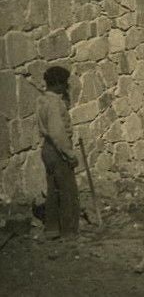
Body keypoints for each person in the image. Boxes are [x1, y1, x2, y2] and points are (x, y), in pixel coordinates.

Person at [37, 66, 80, 239]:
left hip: (46, 149)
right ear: (56, 84)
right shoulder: (54, 103)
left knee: (53, 190)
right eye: (64, 84)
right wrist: (69, 153)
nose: (66, 87)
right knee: (68, 191)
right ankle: (69, 232)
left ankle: (52, 229)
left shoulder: (41, 100)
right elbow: (57, 133)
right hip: (57, 150)